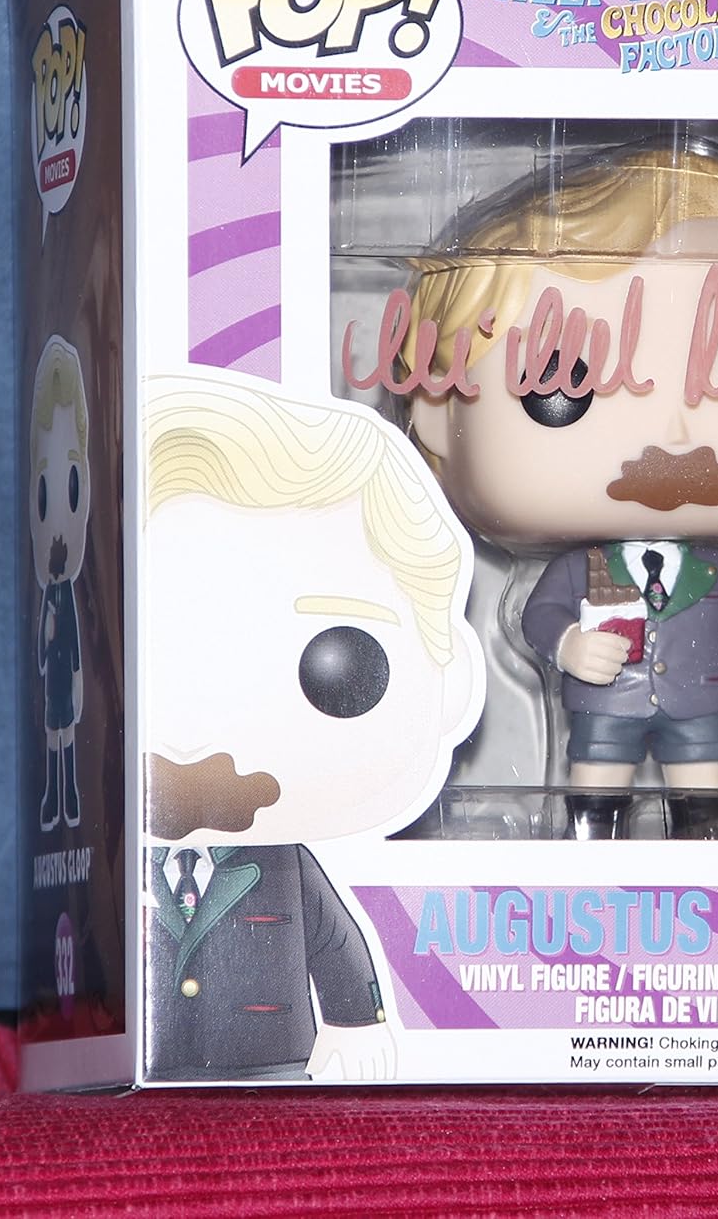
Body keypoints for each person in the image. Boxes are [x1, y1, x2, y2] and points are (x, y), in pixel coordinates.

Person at [403, 141, 718, 838]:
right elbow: (539, 616)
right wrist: (567, 646)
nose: (677, 433)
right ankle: (591, 838)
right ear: (440, 413)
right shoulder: (582, 569)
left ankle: (706, 839)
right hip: (604, 708)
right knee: (595, 789)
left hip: (701, 712)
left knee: (704, 798)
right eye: (561, 383)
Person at [143, 376, 481, 1079]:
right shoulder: (117, 867)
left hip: (273, 1062)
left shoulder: (286, 864)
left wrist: (358, 1023)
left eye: (341, 668)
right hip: (146, 1058)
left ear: (450, 679)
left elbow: (335, 941)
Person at [29, 335, 92, 832]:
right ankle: (55, 794)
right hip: (51, 683)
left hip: (62, 684)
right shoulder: (53, 592)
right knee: (54, 735)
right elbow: (43, 647)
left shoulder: (65, 594)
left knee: (65, 734)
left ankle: (67, 790)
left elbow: (68, 646)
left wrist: (74, 675)